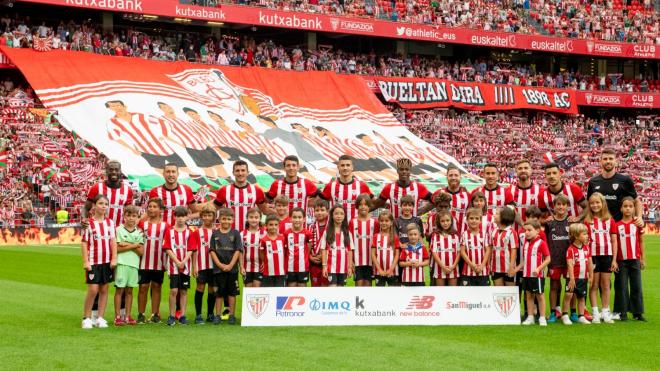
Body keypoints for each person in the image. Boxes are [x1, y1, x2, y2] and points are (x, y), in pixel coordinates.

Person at [81, 194, 117, 329]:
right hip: (93, 261)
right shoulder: (88, 223)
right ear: (94, 206)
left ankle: (100, 318)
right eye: (101, 203)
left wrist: (114, 258)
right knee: (93, 289)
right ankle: (86, 318)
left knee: (104, 289)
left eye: (106, 204)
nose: (103, 206)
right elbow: (84, 243)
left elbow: (113, 241)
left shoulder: (110, 223)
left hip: (107, 262)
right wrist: (85, 261)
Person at [584, 192, 618, 324]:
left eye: (597, 202)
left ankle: (605, 311)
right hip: (593, 257)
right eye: (592, 203)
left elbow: (614, 241)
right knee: (593, 284)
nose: (595, 205)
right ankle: (595, 312)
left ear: (603, 203)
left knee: (605, 285)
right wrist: (588, 259)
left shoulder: (610, 220)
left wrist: (614, 259)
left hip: (607, 256)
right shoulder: (587, 222)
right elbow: (585, 243)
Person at [587, 148, 643, 225]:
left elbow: (637, 201)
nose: (608, 161)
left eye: (611, 159)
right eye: (605, 159)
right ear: (600, 161)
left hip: (619, 226)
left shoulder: (625, 180)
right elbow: (588, 203)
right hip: (600, 227)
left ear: (616, 161)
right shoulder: (593, 181)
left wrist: (639, 217)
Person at [212, 160, 273, 232]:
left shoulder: (256, 190)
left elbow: (265, 210)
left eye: (243, 170)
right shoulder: (224, 190)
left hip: (250, 234)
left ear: (247, 172)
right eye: (237, 171)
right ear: (233, 173)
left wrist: (283, 217)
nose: (240, 173)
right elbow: (213, 209)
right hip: (230, 233)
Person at [163, 206, 198, 326]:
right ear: (174, 217)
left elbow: (191, 248)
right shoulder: (169, 231)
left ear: (187, 217)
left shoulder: (190, 232)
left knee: (183, 291)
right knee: (173, 290)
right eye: (178, 216)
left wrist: (184, 261)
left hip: (185, 266)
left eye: (183, 216)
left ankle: (182, 315)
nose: (180, 219)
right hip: (173, 265)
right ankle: (172, 315)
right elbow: (167, 248)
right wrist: (177, 261)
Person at [613, 197, 646, 322]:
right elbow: (614, 244)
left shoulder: (637, 225)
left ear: (634, 209)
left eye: (630, 206)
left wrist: (642, 258)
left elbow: (641, 241)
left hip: (635, 260)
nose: (628, 208)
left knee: (636, 286)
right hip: (621, 260)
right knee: (621, 286)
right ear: (621, 209)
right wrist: (614, 260)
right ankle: (622, 312)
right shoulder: (616, 225)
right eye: (625, 206)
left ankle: (637, 313)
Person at [136, 198, 169, 324]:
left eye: (154, 206)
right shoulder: (142, 224)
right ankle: (141, 314)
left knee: (156, 286)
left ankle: (155, 314)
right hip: (143, 261)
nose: (151, 209)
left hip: (159, 261)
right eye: (149, 206)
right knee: (143, 287)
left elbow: (168, 244)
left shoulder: (165, 226)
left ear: (161, 210)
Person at [209, 207, 242, 325]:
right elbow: (212, 251)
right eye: (224, 219)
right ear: (219, 219)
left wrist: (231, 265)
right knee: (219, 294)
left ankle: (232, 315)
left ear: (232, 220)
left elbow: (238, 250)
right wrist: (220, 265)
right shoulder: (215, 234)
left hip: (232, 270)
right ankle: (217, 315)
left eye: (229, 219)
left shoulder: (236, 233)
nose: (226, 221)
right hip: (218, 270)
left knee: (232, 293)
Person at [113, 205, 143, 326]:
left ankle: (128, 316)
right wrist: (135, 245)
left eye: (134, 216)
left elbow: (141, 252)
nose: (131, 218)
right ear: (124, 216)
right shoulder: (118, 230)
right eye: (128, 215)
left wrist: (128, 244)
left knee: (130, 291)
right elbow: (117, 249)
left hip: (134, 264)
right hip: (122, 263)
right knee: (119, 290)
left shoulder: (139, 232)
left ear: (137, 217)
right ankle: (117, 317)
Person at [319, 155, 373, 223]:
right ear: (338, 167)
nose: (345, 168)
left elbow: (372, 203)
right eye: (342, 165)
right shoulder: (330, 186)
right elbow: (320, 204)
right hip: (336, 227)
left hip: (355, 226)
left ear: (352, 167)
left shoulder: (362, 186)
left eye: (348, 165)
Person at [544, 195, 572, 323]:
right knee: (554, 286)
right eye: (558, 204)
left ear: (568, 206)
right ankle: (553, 312)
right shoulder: (549, 223)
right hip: (554, 261)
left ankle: (571, 312)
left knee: (570, 286)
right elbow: (545, 241)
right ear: (553, 207)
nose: (561, 207)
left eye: (563, 204)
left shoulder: (571, 222)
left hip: (569, 261)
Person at [519, 220, 551, 326]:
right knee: (528, 295)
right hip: (526, 275)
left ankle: (542, 317)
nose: (526, 233)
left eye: (529, 230)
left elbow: (548, 258)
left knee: (540, 295)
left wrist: (539, 268)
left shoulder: (541, 243)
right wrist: (516, 269)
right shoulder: (526, 244)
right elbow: (524, 260)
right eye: (525, 230)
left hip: (537, 276)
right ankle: (530, 316)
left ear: (537, 231)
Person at [561, 223, 593, 325]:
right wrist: (571, 279)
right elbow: (570, 265)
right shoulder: (570, 250)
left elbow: (590, 262)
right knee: (568, 295)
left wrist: (591, 275)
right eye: (584, 234)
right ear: (576, 236)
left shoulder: (586, 248)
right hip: (572, 278)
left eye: (587, 233)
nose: (587, 236)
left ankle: (581, 316)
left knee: (581, 297)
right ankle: (565, 315)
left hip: (583, 278)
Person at [192, 204, 217, 324]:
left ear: (214, 217)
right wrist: (194, 266)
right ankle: (198, 315)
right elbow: (194, 250)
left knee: (212, 289)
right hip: (201, 265)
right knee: (200, 288)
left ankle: (210, 314)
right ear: (201, 217)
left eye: (209, 215)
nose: (207, 218)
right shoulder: (197, 232)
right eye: (205, 215)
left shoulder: (217, 232)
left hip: (214, 266)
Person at [320, 205, 354, 287]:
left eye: (341, 214)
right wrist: (324, 266)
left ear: (344, 216)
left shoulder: (347, 233)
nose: (339, 216)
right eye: (336, 214)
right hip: (331, 267)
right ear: (332, 215)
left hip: (343, 267)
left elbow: (350, 250)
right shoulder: (327, 231)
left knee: (341, 289)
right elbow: (324, 249)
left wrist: (349, 267)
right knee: (332, 288)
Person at [349, 194, 378, 287]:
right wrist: (351, 260)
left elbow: (377, 241)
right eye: (360, 204)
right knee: (359, 284)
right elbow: (350, 242)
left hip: (371, 259)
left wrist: (376, 260)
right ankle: (358, 302)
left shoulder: (375, 222)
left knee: (368, 285)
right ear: (357, 206)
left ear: (369, 206)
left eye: (365, 204)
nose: (363, 207)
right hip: (357, 260)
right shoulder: (352, 222)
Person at [460, 208, 491, 286]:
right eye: (471, 218)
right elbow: (462, 251)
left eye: (477, 218)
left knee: (483, 294)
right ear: (467, 220)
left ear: (480, 221)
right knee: (468, 296)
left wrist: (482, 265)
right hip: (468, 271)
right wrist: (472, 265)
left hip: (483, 271)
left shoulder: (484, 234)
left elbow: (488, 250)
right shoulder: (464, 234)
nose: (474, 221)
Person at [490, 206, 518, 287]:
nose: (494, 215)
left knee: (509, 293)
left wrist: (511, 267)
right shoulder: (494, 230)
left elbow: (514, 250)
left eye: (497, 214)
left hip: (507, 267)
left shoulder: (511, 232)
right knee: (499, 292)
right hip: (495, 267)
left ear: (504, 216)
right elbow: (491, 248)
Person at [284, 208, 312, 287]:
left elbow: (309, 248)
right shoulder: (286, 233)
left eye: (299, 217)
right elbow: (285, 249)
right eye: (294, 217)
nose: (297, 220)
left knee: (302, 288)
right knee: (291, 288)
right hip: (290, 267)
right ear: (290, 219)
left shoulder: (308, 233)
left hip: (303, 267)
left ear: (304, 219)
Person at [430, 210, 460, 286]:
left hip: (453, 268)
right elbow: (434, 252)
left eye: (447, 220)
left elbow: (459, 252)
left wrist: (453, 266)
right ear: (439, 222)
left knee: (452, 293)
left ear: (451, 221)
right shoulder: (435, 235)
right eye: (442, 221)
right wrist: (443, 266)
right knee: (441, 293)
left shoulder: (455, 235)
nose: (445, 223)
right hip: (440, 268)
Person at [371, 211, 401, 287]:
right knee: (379, 294)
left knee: (393, 293)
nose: (384, 223)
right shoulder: (376, 236)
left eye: (386, 221)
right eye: (382, 221)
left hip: (393, 271)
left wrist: (391, 269)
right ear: (379, 222)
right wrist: (379, 269)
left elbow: (397, 255)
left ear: (391, 222)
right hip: (379, 272)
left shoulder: (395, 237)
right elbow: (373, 254)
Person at [260, 215, 287, 287]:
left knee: (279, 292)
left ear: (278, 226)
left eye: (276, 225)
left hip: (281, 271)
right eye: (271, 225)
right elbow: (262, 253)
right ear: (266, 226)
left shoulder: (282, 239)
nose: (273, 227)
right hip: (268, 271)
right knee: (269, 292)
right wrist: (264, 261)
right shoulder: (263, 240)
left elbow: (285, 252)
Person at [241, 208, 264, 288]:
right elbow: (241, 252)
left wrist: (265, 263)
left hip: (260, 267)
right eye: (251, 217)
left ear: (260, 219)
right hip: (247, 267)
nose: (254, 219)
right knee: (248, 290)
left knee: (256, 289)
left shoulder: (264, 233)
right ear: (247, 218)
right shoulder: (242, 234)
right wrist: (241, 266)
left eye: (256, 217)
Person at [309, 199, 329, 287]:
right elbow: (307, 245)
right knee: (315, 287)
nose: (319, 212)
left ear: (327, 211)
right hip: (313, 262)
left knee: (326, 287)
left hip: (327, 262)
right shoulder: (310, 227)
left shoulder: (330, 227)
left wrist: (324, 256)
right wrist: (310, 257)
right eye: (317, 210)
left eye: (322, 210)